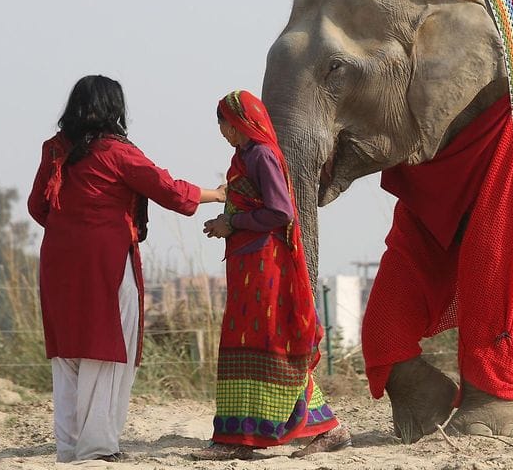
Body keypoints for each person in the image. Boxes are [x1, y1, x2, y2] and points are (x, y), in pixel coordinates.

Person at [28, 75, 224, 462]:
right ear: (115, 108)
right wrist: (215, 194)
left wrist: (72, 227)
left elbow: (38, 206)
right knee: (108, 347)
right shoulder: (117, 152)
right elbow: (168, 190)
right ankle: (97, 448)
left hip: (58, 259)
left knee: (67, 354)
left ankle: (69, 448)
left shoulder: (55, 150)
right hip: (106, 258)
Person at [192, 90, 351, 461]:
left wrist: (231, 222)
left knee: (271, 344)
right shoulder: (244, 156)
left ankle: (320, 428)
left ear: (241, 122)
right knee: (252, 344)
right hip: (247, 263)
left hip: (265, 265)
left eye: (225, 124)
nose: (222, 131)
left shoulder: (262, 155)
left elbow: (282, 212)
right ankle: (245, 436)